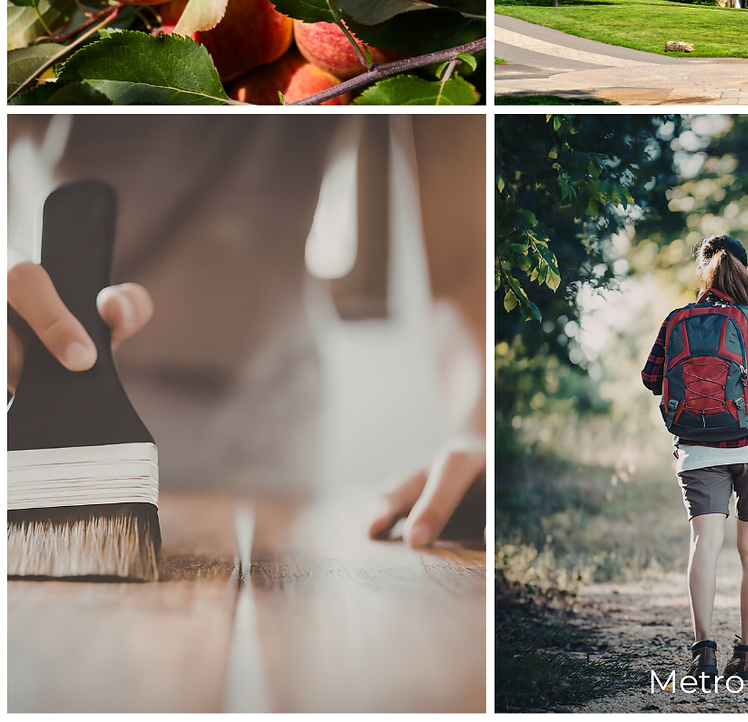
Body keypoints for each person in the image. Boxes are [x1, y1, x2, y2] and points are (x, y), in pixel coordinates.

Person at [7, 114, 485, 548]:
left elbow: (468, 262)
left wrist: (481, 430)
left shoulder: (428, 29)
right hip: (52, 400)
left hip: (265, 406)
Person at [641, 234, 748, 686]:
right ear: (745, 270)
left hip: (697, 448)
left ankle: (704, 654)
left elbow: (652, 378)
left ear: (702, 271)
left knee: (703, 547)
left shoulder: (678, 319)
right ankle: (747, 657)